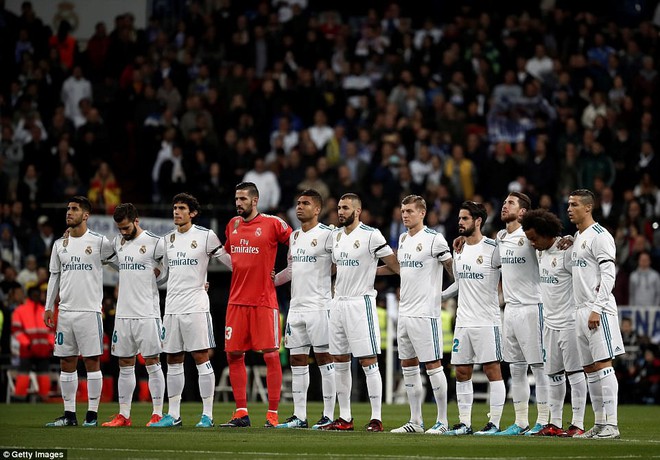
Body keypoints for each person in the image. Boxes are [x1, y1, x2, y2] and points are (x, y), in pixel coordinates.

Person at [150, 193, 231, 428]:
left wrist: (252, 270)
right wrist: (150, 276)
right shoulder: (166, 240)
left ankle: (208, 415)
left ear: (192, 213)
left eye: (182, 208)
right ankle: (173, 414)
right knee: (173, 358)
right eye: (175, 207)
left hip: (196, 306)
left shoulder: (206, 236)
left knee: (200, 357)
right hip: (172, 307)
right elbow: (162, 272)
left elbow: (230, 262)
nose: (176, 212)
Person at [321, 193, 400, 432]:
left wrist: (372, 271)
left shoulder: (371, 235)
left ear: (357, 210)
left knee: (368, 360)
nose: (341, 211)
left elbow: (395, 266)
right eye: (339, 208)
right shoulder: (335, 236)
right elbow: (336, 266)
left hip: (360, 303)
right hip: (338, 303)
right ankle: (345, 417)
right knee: (340, 360)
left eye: (345, 208)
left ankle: (376, 418)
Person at [221, 182, 292, 428]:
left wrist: (284, 272)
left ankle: (272, 414)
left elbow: (297, 241)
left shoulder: (273, 223)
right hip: (236, 301)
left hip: (264, 301)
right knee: (233, 355)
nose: (238, 203)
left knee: (271, 355)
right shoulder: (233, 225)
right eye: (236, 198)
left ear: (255, 200)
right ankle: (241, 413)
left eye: (242, 198)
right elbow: (229, 256)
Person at [44, 196, 116, 427]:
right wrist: (48, 307)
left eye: (74, 209)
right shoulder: (59, 245)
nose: (69, 212)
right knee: (67, 363)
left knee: (92, 362)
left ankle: (92, 415)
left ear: (85, 215)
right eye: (68, 209)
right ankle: (69, 415)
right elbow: (54, 276)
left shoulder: (99, 241)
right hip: (65, 312)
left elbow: (120, 264)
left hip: (89, 312)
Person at [385, 195, 454, 434]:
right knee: (408, 365)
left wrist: (446, 294)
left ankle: (442, 422)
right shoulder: (403, 239)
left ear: (422, 213)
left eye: (410, 211)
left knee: (433, 366)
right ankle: (415, 421)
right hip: (405, 313)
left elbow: (452, 269)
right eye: (403, 211)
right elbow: (400, 270)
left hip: (426, 314)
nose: (405, 215)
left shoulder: (435, 239)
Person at [273, 189, 337, 430]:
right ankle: (299, 415)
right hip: (296, 307)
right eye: (298, 203)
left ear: (317, 209)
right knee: (297, 359)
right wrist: (270, 281)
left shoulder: (328, 234)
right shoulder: (295, 236)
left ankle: (329, 415)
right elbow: (291, 270)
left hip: (320, 306)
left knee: (324, 359)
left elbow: (339, 263)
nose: (300, 207)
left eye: (306, 203)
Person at [442, 201, 507, 436]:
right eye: (460, 218)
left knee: (492, 370)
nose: (460, 222)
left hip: (487, 320)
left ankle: (495, 424)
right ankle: (464, 423)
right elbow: (459, 283)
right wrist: (437, 296)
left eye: (465, 219)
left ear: (478, 221)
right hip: (463, 321)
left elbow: (511, 272)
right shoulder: (458, 250)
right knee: (461, 372)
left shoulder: (493, 248)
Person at [521, 209, 587, 437]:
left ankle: (578, 423)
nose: (531, 243)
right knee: (554, 375)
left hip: (569, 322)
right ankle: (555, 423)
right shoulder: (541, 253)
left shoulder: (567, 251)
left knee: (575, 373)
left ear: (547, 233)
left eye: (534, 238)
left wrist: (573, 239)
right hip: (549, 324)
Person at [101, 203, 166, 427]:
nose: (123, 232)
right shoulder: (117, 242)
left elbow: (170, 269)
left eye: (126, 228)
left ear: (136, 220)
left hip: (148, 313)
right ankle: (124, 415)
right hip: (123, 314)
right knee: (125, 363)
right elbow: (101, 254)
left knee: (152, 361)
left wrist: (160, 277)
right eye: (119, 228)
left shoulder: (155, 243)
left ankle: (157, 413)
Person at [568, 189, 625, 439]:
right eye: (568, 204)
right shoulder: (577, 237)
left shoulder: (601, 236)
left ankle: (612, 424)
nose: (569, 208)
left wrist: (596, 309)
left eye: (574, 204)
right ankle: (600, 423)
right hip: (579, 310)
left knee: (603, 364)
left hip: (597, 309)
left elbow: (609, 276)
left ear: (588, 207)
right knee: (589, 368)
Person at [494, 192, 549, 436]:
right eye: (504, 202)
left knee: (539, 367)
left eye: (511, 203)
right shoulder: (501, 236)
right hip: (510, 309)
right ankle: (521, 421)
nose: (505, 206)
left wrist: (566, 238)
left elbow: (555, 244)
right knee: (516, 369)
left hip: (532, 307)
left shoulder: (531, 236)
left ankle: (545, 420)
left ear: (523, 211)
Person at [11, 287, 54, 402]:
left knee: (44, 375)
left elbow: (50, 331)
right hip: (27, 349)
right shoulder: (20, 310)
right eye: (34, 294)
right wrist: (27, 344)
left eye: (38, 294)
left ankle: (44, 399)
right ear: (29, 295)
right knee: (24, 375)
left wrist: (50, 345)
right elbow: (16, 330)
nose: (36, 296)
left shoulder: (44, 311)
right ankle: (19, 399)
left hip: (43, 349)